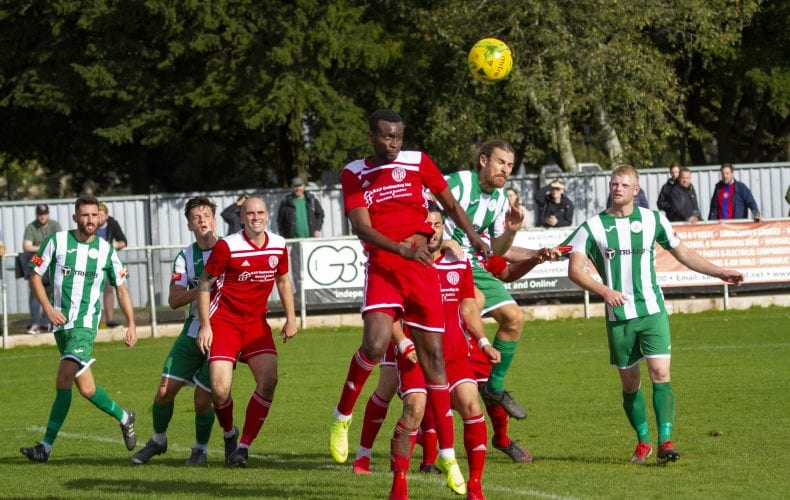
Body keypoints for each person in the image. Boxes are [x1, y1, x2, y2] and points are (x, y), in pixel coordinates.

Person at [328, 109, 488, 499]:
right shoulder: (354, 172)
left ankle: (448, 457)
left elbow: (449, 204)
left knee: (435, 361)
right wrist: (400, 248)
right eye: (386, 137)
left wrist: (474, 237)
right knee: (375, 343)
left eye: (398, 136)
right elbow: (361, 226)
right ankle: (342, 414)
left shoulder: (418, 161)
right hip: (385, 266)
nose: (394, 144)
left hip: (419, 270)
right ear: (372, 137)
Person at [564, 164, 744, 465]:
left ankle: (666, 440)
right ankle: (643, 441)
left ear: (636, 190)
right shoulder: (593, 226)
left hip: (652, 311)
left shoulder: (652, 220)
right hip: (619, 317)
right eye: (613, 184)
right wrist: (604, 291)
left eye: (624, 184)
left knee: (661, 374)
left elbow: (683, 252)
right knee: (630, 384)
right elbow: (573, 269)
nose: (617, 188)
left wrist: (719, 272)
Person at [20, 194, 138, 462]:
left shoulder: (107, 250)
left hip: (85, 326)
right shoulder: (58, 241)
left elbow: (121, 288)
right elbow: (35, 275)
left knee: (63, 380)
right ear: (75, 217)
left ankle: (45, 448)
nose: (90, 220)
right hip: (61, 326)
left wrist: (131, 324)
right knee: (86, 389)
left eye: (94, 215)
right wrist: (48, 309)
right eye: (84, 215)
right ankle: (124, 416)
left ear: (101, 216)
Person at [394, 204, 499, 499]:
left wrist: (483, 342)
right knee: (414, 410)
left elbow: (468, 307)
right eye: (426, 225)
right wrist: (404, 343)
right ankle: (399, 482)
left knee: (472, 407)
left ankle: (475, 486)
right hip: (417, 355)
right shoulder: (403, 263)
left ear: (443, 228)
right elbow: (389, 314)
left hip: (454, 354)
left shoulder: (458, 263)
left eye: (437, 224)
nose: (432, 230)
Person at [443, 140, 549, 423]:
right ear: (482, 160)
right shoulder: (459, 183)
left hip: (474, 265)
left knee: (514, 318)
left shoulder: (501, 199)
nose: (506, 170)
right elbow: (423, 207)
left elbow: (496, 250)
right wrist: (441, 240)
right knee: (472, 304)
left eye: (510, 165)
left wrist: (513, 231)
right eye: (501, 162)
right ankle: (455, 382)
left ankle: (494, 386)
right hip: (445, 264)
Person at [196, 196, 297, 468]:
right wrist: (205, 325)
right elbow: (204, 284)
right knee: (219, 389)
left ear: (268, 215)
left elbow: (283, 280)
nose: (255, 217)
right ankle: (230, 433)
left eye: (260, 212)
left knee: (269, 381)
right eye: (249, 213)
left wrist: (291, 317)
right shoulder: (228, 246)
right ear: (241, 217)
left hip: (255, 325)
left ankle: (243, 448)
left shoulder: (278, 245)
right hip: (224, 324)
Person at [131, 196, 219, 466]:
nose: (202, 220)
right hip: (192, 332)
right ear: (189, 225)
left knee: (202, 399)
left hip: (222, 335)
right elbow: (174, 299)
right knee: (164, 391)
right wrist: (203, 286)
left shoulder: (229, 249)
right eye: (196, 217)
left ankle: (200, 449)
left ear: (214, 219)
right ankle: (158, 441)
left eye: (206, 215)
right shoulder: (185, 257)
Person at [22, 203, 62, 334]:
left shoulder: (55, 225)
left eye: (44, 213)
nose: (42, 216)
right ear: (37, 214)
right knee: (34, 292)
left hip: (52, 263)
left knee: (51, 293)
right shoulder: (31, 227)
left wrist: (41, 248)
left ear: (48, 214)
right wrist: (45, 249)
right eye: (40, 214)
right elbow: (26, 246)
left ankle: (46, 323)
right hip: (37, 261)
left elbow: (60, 244)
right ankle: (35, 323)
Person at [97, 203, 128, 328]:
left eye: (101, 215)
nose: (98, 218)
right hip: (92, 261)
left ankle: (110, 319)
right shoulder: (90, 225)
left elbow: (123, 242)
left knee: (111, 289)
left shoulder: (112, 224)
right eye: (96, 215)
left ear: (106, 215)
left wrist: (110, 247)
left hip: (108, 262)